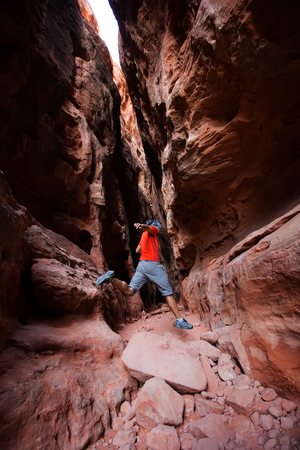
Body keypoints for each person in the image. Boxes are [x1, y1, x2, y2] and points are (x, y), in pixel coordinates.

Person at [96, 220, 193, 329]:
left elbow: (138, 250)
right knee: (168, 293)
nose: (160, 229)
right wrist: (142, 226)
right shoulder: (153, 230)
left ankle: (111, 279)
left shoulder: (144, 237)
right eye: (159, 227)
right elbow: (148, 228)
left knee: (130, 290)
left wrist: (147, 245)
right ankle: (180, 320)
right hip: (153, 265)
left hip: (142, 265)